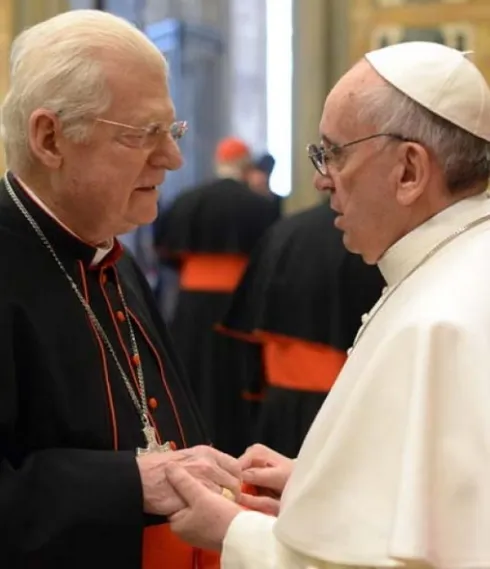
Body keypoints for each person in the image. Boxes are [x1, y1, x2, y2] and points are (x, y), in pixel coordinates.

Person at [160, 41, 490, 568]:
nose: (320, 178)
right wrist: (315, 489)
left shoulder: (441, 320)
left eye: (333, 153)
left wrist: (234, 532)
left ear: (409, 171)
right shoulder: (454, 269)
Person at [0, 9, 243, 569]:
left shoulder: (115, 258)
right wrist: (130, 482)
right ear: (50, 138)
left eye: (171, 131)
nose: (173, 158)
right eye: (142, 134)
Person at [218, 199, 385, 457]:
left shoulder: (283, 231)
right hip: (351, 403)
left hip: (280, 402)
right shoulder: (373, 239)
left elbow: (250, 327)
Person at [155, 137, 279, 457]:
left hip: (192, 304)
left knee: (194, 373)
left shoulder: (188, 199)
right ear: (245, 165)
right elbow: (269, 258)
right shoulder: (259, 204)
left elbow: (164, 251)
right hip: (239, 305)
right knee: (233, 380)